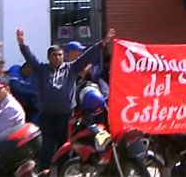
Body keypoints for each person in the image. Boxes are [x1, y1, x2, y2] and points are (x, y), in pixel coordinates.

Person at [17, 27, 116, 171]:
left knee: (64, 150)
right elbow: (30, 59)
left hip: (66, 117)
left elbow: (87, 56)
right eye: (54, 55)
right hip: (47, 117)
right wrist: (22, 45)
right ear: (49, 57)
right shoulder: (41, 69)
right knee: (46, 150)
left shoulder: (71, 68)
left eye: (60, 55)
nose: (57, 57)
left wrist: (103, 43)